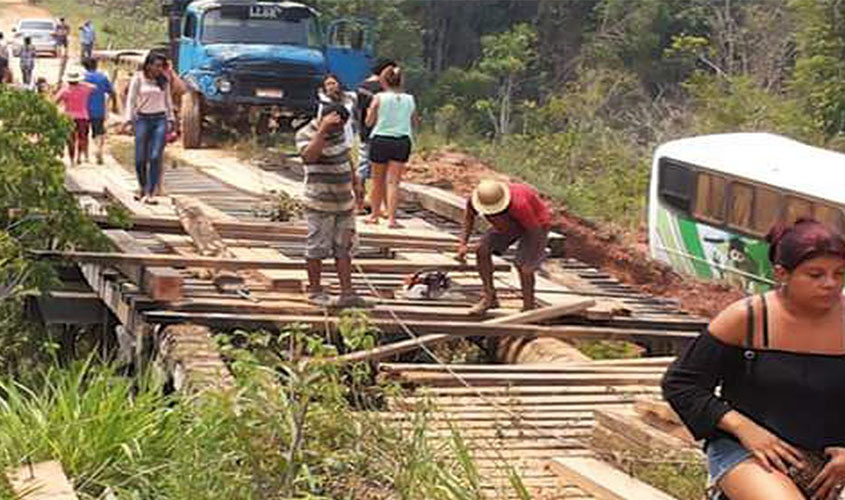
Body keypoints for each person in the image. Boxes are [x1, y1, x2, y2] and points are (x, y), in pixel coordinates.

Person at [662, 218, 845, 500]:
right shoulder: (746, 318)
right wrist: (744, 429)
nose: (830, 284)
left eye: (840, 273)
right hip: (749, 451)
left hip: (830, 458)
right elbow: (682, 384)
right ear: (782, 274)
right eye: (815, 275)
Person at [294, 103, 366, 309]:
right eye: (335, 126)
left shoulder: (340, 132)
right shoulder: (306, 133)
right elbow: (309, 157)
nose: (338, 130)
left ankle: (347, 293)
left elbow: (346, 156)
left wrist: (356, 182)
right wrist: (323, 131)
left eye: (341, 126)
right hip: (319, 203)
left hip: (344, 203)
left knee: (345, 248)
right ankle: (315, 290)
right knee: (317, 247)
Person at [457, 180, 552, 314]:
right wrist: (463, 244)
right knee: (482, 249)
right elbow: (469, 217)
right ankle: (490, 298)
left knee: (525, 268)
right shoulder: (476, 199)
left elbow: (534, 231)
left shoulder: (520, 205)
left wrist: (531, 257)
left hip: (536, 225)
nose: (490, 215)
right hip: (507, 224)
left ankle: (528, 308)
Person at [364, 65, 416, 229]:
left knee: (377, 180)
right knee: (393, 182)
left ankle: (374, 215)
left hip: (381, 139)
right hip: (402, 140)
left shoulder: (379, 97)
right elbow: (414, 122)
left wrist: (370, 112)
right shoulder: (410, 99)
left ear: (384, 81)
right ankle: (392, 218)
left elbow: (369, 122)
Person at [122, 52, 175, 204]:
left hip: (160, 119)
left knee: (155, 156)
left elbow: (168, 100)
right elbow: (131, 100)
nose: (159, 69)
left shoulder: (163, 81)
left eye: (162, 66)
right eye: (157, 66)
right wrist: (128, 120)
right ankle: (142, 187)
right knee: (140, 158)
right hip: (142, 119)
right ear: (149, 65)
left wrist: (171, 120)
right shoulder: (138, 78)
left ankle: (151, 192)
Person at [355, 59, 396, 212]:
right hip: (382, 133)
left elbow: (359, 112)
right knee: (381, 172)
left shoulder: (361, 87)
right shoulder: (384, 89)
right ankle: (382, 206)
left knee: (362, 169)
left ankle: (358, 204)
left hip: (365, 132)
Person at [55, 70, 94, 165]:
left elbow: (55, 101)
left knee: (71, 139)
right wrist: (82, 83)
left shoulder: (65, 90)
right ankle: (79, 157)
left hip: (69, 117)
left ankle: (72, 159)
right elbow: (94, 87)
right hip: (83, 116)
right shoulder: (85, 89)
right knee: (82, 138)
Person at [82, 57, 113, 165]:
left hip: (83, 110)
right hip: (98, 109)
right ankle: (98, 149)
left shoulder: (82, 78)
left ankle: (85, 156)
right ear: (96, 65)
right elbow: (111, 92)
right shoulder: (102, 77)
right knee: (99, 132)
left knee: (84, 133)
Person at [53, 17, 69, 83]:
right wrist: (65, 33)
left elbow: (56, 31)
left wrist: (57, 34)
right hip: (64, 36)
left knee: (60, 46)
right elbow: (68, 31)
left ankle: (60, 54)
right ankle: (65, 54)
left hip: (60, 36)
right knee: (65, 46)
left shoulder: (58, 25)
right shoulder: (66, 25)